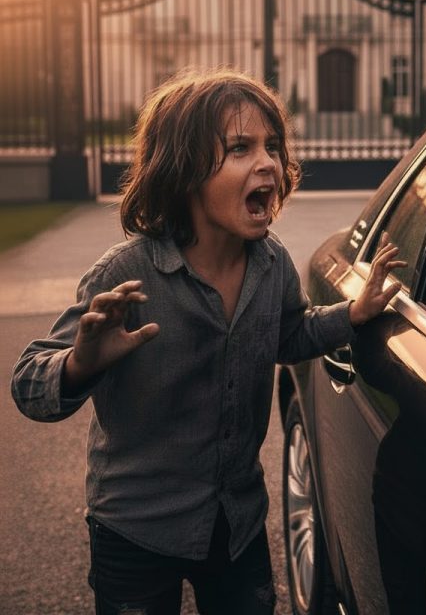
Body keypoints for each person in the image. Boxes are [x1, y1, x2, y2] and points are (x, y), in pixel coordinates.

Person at [11, 68, 405, 614]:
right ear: (184, 169)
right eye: (240, 148)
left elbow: (288, 336)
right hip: (137, 531)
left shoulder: (272, 267)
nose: (267, 162)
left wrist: (352, 314)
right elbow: (28, 384)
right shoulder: (126, 274)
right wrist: (79, 364)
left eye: (271, 146)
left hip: (236, 522)